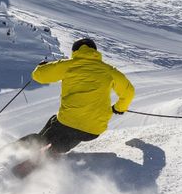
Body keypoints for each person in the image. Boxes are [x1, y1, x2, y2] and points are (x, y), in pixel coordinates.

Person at [12, 38, 135, 178]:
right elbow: (129, 91)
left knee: (45, 136)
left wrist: (42, 66)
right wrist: (119, 108)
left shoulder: (69, 65)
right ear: (95, 52)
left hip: (67, 122)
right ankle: (53, 150)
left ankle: (8, 154)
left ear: (75, 51)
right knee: (70, 134)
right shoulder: (109, 70)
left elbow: (39, 76)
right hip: (93, 130)